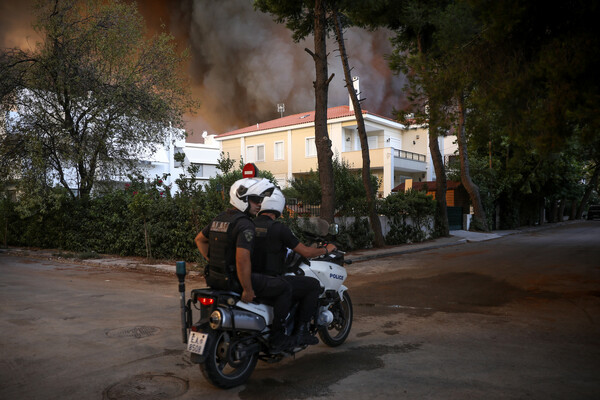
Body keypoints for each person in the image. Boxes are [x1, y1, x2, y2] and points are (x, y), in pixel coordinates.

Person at [195, 177, 294, 352]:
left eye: (260, 200)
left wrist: (215, 262)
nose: (259, 204)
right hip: (234, 280)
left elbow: (200, 240)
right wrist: (248, 289)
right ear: (242, 199)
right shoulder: (245, 224)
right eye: (255, 200)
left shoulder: (220, 218)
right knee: (285, 287)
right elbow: (242, 259)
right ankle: (278, 337)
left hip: (214, 278)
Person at [252, 188, 337, 346]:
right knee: (312, 285)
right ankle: (302, 332)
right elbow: (305, 252)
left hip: (251, 279)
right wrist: (326, 249)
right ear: (279, 206)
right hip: (271, 281)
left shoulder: (248, 225)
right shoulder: (279, 229)